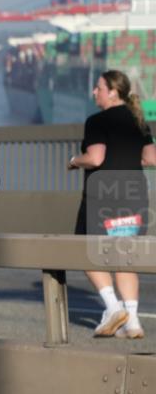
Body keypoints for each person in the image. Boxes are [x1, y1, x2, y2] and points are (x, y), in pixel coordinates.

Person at [68, 70, 156, 339]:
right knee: (124, 257)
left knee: (84, 249)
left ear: (113, 92)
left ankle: (113, 306)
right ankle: (133, 323)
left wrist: (74, 160)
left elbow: (95, 158)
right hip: (134, 196)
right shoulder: (139, 120)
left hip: (103, 197)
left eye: (98, 88)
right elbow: (151, 158)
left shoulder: (96, 121)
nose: (94, 92)